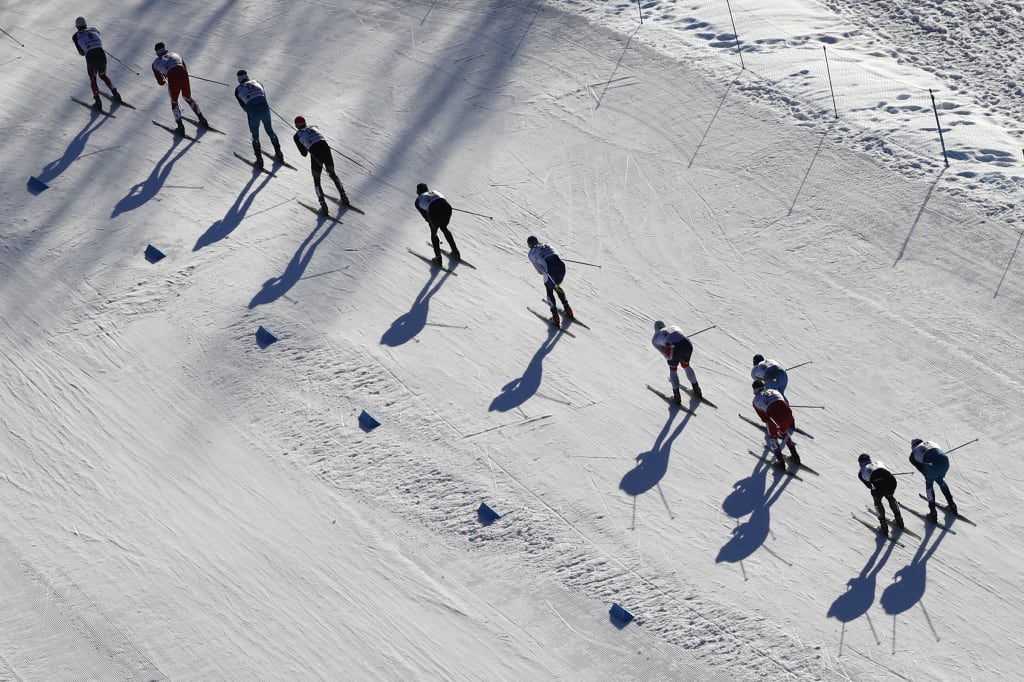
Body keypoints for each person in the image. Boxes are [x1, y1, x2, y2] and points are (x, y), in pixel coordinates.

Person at [293, 116, 349, 215]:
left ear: (296, 126)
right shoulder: (314, 127)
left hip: (316, 154)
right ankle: (343, 195)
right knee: (332, 173)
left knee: (317, 180)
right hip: (326, 149)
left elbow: (304, 154)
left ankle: (323, 205)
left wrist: (305, 144)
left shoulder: (296, 136)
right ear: (305, 123)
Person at [151, 42, 209, 135]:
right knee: (187, 97)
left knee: (174, 102)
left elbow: (161, 82)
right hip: (183, 73)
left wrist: (165, 77)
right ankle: (202, 118)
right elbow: (184, 67)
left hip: (173, 77)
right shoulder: (175, 54)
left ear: (156, 52)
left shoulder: (155, 63)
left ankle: (180, 126)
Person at [234, 70, 283, 169]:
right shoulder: (258, 82)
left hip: (253, 111)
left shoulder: (237, 89)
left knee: (255, 135)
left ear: (239, 79)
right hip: (264, 107)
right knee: (270, 130)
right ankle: (279, 154)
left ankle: (259, 160)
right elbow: (264, 96)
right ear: (247, 76)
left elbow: (244, 107)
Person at [71, 17, 120, 111]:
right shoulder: (94, 29)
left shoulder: (75, 36)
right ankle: (115, 93)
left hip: (91, 57)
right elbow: (98, 38)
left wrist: (87, 47)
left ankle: (98, 101)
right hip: (101, 53)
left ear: (77, 26)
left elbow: (81, 53)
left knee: (93, 79)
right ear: (85, 23)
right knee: (103, 75)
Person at [752, 379, 799, 469]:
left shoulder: (755, 400)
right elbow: (784, 403)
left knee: (772, 437)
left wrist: (771, 423)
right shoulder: (774, 390)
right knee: (783, 432)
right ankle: (795, 455)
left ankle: (780, 461)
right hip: (788, 414)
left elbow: (764, 418)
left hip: (774, 418)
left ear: (754, 390)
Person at [651, 321, 701, 404]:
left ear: (655, 330)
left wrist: (673, 356)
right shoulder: (673, 326)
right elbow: (680, 336)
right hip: (687, 344)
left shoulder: (655, 338)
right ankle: (697, 389)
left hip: (674, 347)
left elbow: (666, 355)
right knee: (686, 365)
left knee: (673, 369)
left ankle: (677, 396)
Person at [909, 438, 958, 522]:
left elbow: (920, 467)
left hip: (931, 466)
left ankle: (933, 512)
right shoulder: (931, 442)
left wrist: (927, 474)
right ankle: (952, 504)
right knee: (940, 480)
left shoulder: (913, 454)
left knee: (929, 487)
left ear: (913, 447)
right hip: (945, 462)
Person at [528, 236, 572, 325]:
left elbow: (539, 270)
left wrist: (545, 272)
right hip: (561, 267)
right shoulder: (547, 244)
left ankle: (555, 316)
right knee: (557, 286)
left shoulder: (531, 253)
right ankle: (568, 309)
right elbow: (556, 255)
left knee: (549, 291)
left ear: (529, 245)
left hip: (550, 271)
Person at [857, 453, 905, 535]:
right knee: (890, 497)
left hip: (878, 484)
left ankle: (883, 526)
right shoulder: (878, 463)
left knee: (877, 501)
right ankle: (899, 519)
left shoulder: (861, 472)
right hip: (891, 481)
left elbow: (869, 486)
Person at [415, 184, 461, 266]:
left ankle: (438, 258)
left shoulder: (418, 200)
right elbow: (441, 200)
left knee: (434, 233)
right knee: (444, 228)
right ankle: (455, 252)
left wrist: (432, 224)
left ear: (417, 192)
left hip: (433, 211)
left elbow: (425, 215)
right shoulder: (433, 191)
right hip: (447, 207)